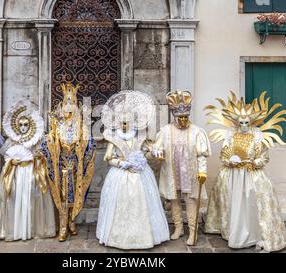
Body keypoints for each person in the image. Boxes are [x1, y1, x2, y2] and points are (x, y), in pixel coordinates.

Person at [204, 91, 286, 252]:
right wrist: (230, 161)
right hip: (232, 176)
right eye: (240, 122)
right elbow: (224, 155)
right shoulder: (230, 136)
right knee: (233, 202)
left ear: (251, 122)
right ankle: (232, 232)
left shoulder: (258, 137)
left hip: (251, 176)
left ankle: (253, 234)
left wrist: (252, 162)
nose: (243, 125)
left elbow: (264, 158)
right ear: (237, 123)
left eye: (246, 122)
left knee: (253, 203)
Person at [96, 90, 169, 249]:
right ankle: (118, 237)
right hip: (120, 177)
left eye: (126, 122)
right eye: (121, 122)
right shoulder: (113, 138)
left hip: (141, 176)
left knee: (141, 206)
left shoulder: (140, 136)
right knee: (121, 206)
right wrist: (120, 163)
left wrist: (151, 154)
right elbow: (108, 158)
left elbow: (147, 153)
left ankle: (142, 237)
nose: (124, 125)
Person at [0, 99, 56, 241]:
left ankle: (32, 229)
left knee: (32, 198)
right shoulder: (12, 141)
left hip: (31, 172)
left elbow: (42, 155)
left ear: (30, 125)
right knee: (14, 197)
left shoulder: (35, 140)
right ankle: (15, 230)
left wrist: (37, 157)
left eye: (26, 125)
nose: (23, 127)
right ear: (16, 126)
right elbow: (6, 156)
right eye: (21, 125)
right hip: (16, 173)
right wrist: (13, 160)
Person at [152, 90, 211, 246]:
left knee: (191, 200)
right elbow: (156, 148)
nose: (183, 120)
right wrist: (158, 153)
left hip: (190, 173)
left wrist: (202, 171)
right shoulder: (165, 131)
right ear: (175, 117)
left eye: (186, 117)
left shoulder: (197, 132)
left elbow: (202, 154)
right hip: (172, 172)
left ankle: (193, 231)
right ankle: (178, 228)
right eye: (180, 118)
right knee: (174, 200)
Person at [40, 83, 96, 242]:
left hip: (77, 168)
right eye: (66, 104)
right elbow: (49, 142)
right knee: (63, 196)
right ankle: (63, 224)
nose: (69, 108)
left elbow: (90, 144)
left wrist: (83, 145)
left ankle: (72, 221)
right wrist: (49, 142)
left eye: (72, 104)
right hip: (61, 167)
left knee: (76, 195)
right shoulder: (56, 126)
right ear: (62, 106)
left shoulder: (81, 126)